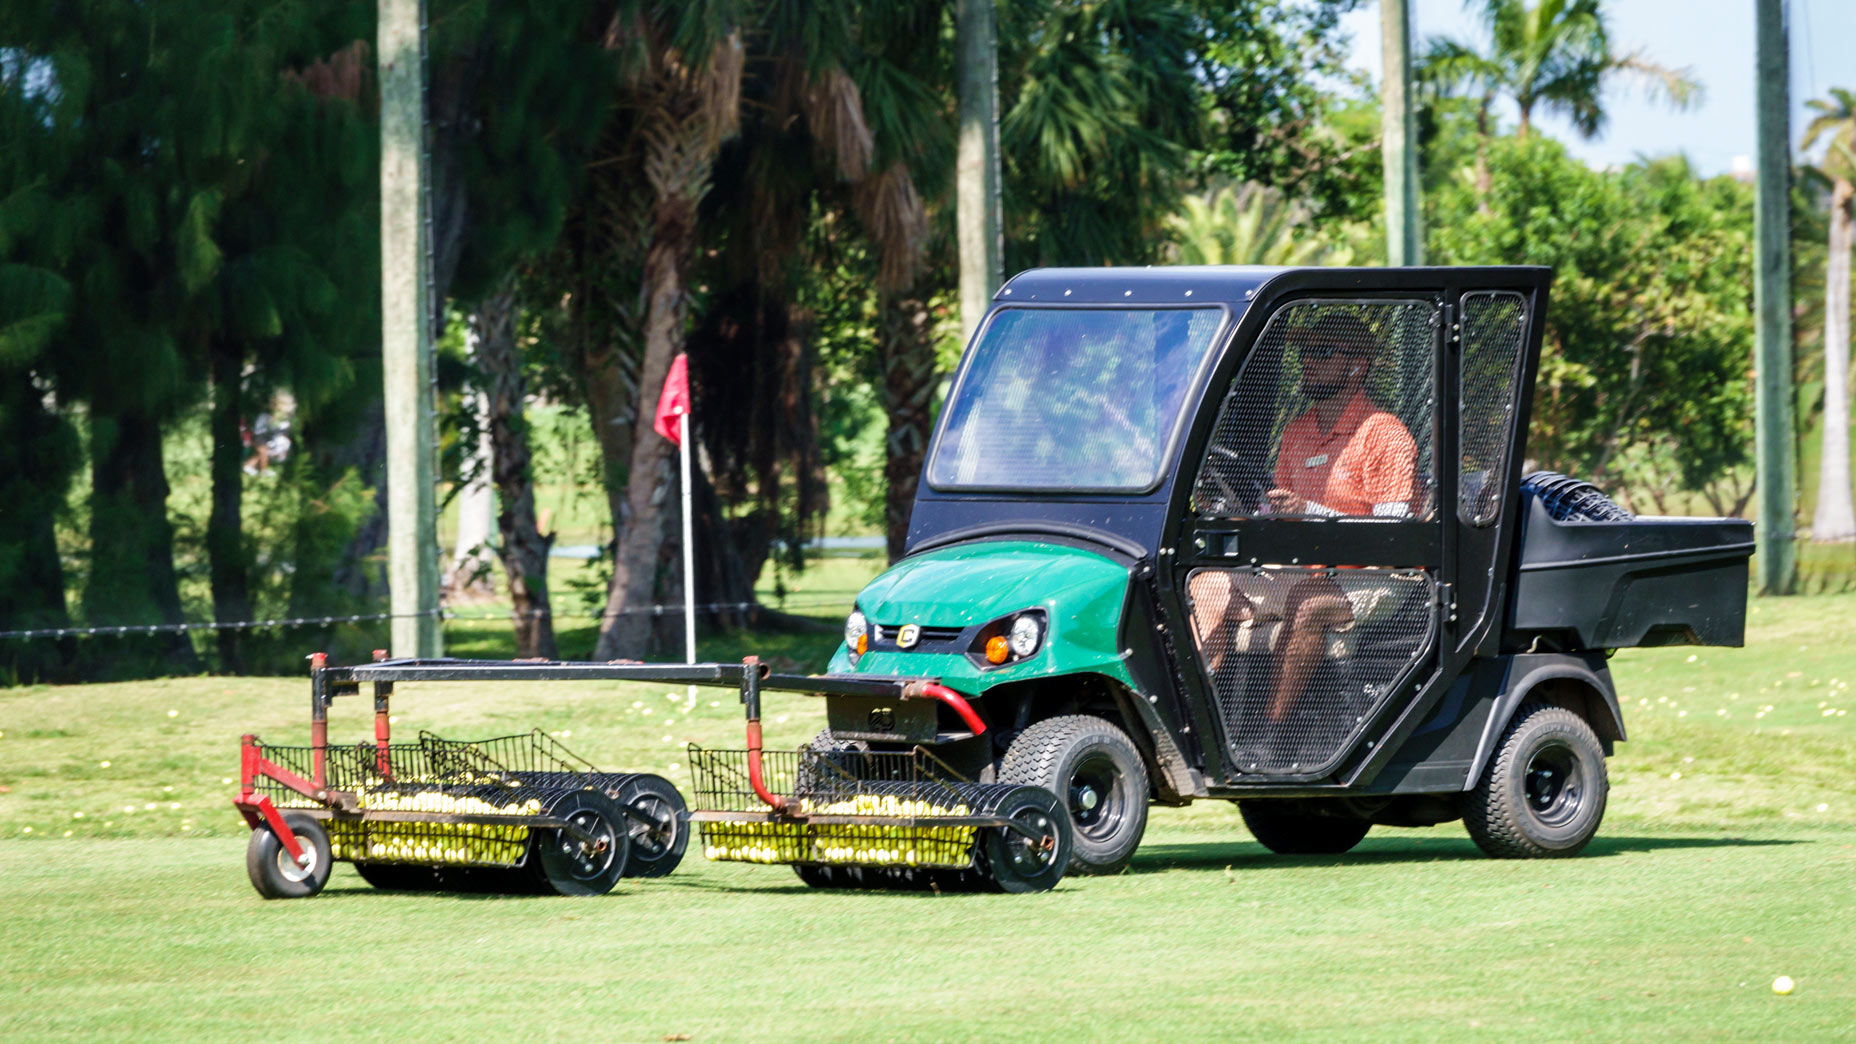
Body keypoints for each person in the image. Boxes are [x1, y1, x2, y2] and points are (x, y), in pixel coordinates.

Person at [1190, 311, 1420, 728]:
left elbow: (1392, 537)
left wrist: (1309, 511)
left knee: (1307, 602)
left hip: (1371, 578)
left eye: (1322, 352)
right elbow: (1281, 516)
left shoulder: (1385, 433)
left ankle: (1272, 736)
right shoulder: (1296, 432)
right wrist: (1244, 514)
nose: (1307, 361)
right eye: (1304, 353)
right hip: (1303, 571)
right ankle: (1202, 728)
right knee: (1203, 585)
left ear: (1357, 366)